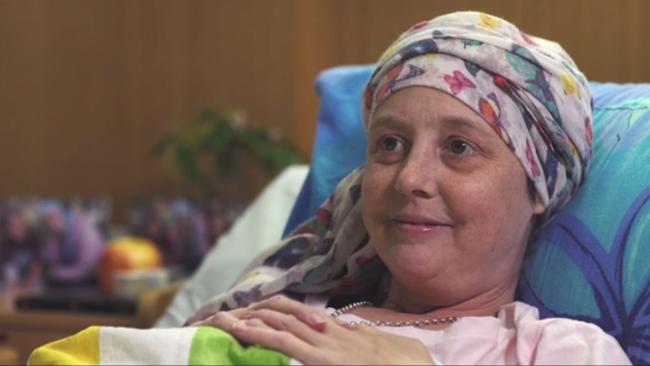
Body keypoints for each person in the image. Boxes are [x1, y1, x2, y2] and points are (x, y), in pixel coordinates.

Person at [187, 11, 630, 365]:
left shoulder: (559, 352)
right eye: (390, 144)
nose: (410, 179)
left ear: (538, 188)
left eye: (459, 147)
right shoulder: (278, 314)